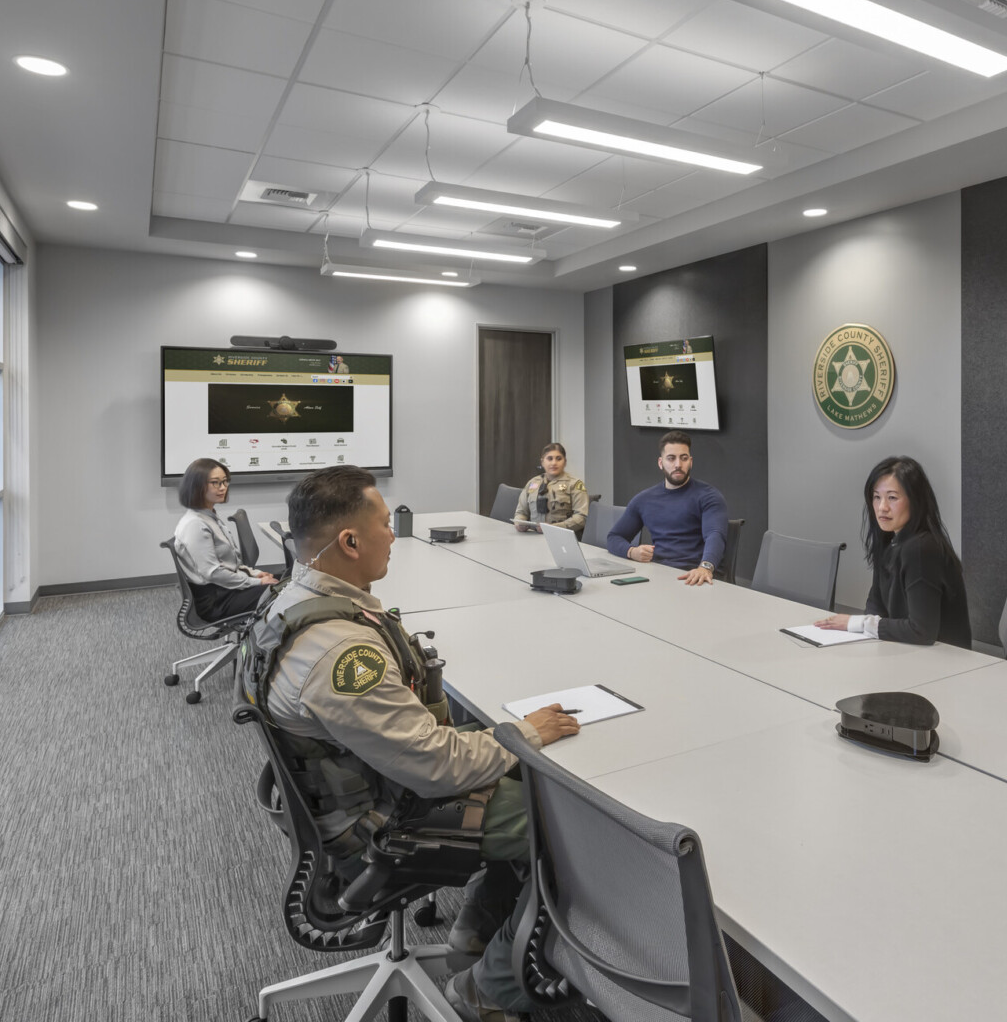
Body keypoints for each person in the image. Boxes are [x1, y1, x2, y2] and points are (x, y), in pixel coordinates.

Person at [255, 465, 580, 1022]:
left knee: (525, 774)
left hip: (353, 786)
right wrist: (523, 733)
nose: (393, 535)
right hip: (383, 820)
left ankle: (472, 937)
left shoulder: (290, 602)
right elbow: (439, 768)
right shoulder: (339, 652)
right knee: (569, 827)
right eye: (385, 524)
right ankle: (489, 985)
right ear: (349, 541)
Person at [814, 455, 971, 648]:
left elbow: (922, 631)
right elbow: (875, 605)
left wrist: (856, 624)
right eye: (876, 497)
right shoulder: (892, 541)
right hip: (907, 651)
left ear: (915, 500)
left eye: (892, 498)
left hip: (944, 664)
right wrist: (865, 624)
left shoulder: (921, 549)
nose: (882, 508)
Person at [607, 431, 728, 587]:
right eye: (671, 458)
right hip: (657, 573)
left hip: (693, 576)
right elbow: (614, 537)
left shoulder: (709, 496)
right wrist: (632, 552)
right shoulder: (644, 499)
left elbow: (715, 535)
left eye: (683, 458)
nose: (678, 464)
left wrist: (705, 567)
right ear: (660, 463)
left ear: (690, 462)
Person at [173, 458, 276, 620]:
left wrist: (254, 574)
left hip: (225, 588)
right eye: (215, 483)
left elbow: (230, 563)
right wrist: (256, 583)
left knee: (287, 578)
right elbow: (213, 573)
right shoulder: (196, 524)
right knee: (284, 592)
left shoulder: (208, 515)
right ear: (197, 486)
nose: (223, 488)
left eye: (225, 482)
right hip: (216, 600)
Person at [512, 441, 589, 536]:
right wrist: (519, 522)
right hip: (533, 537)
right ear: (542, 462)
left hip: (562, 538)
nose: (554, 463)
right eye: (549, 459)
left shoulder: (574, 484)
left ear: (565, 462)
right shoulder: (533, 483)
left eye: (559, 459)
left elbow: (582, 517)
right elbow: (521, 512)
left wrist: (554, 528)